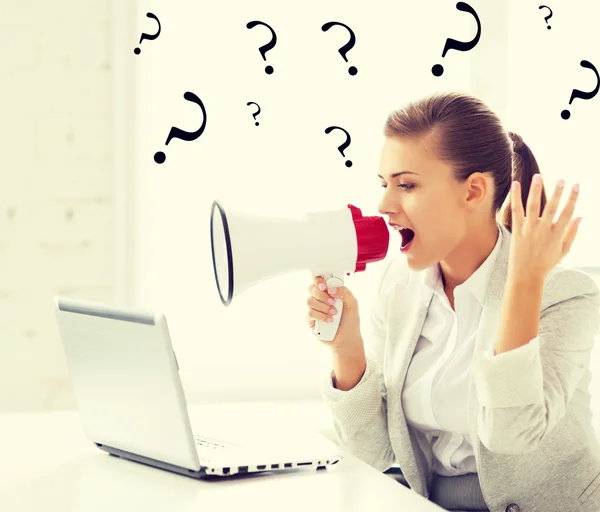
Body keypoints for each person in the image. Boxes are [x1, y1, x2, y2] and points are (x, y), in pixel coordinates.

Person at [307, 91, 600, 512]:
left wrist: (525, 280)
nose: (384, 206)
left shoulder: (563, 293)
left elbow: (509, 434)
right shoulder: (398, 287)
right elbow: (373, 455)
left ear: (474, 191)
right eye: (384, 184)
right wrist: (346, 349)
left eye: (406, 185)